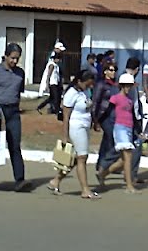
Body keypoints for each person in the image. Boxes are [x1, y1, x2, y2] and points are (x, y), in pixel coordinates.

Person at [0, 42, 29, 191]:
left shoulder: (20, 73)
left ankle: (20, 179)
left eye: (17, 58)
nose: (15, 61)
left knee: (15, 145)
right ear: (6, 55)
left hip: (13, 112)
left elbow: (18, 93)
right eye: (13, 58)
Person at [47, 70, 99, 198]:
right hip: (76, 127)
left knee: (76, 158)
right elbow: (66, 117)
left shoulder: (84, 92)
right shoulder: (71, 94)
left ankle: (56, 181)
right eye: (88, 84)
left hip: (85, 126)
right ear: (80, 81)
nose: (90, 87)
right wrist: (64, 136)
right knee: (82, 157)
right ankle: (85, 190)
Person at [97, 73, 138, 193]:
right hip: (120, 129)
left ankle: (103, 173)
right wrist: (98, 121)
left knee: (122, 160)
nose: (128, 88)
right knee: (128, 156)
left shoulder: (130, 100)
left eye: (130, 85)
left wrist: (138, 130)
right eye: (126, 85)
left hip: (129, 129)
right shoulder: (115, 98)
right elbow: (106, 111)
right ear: (121, 86)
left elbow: (134, 117)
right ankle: (129, 186)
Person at [37, 42, 65, 117]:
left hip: (55, 82)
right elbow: (48, 74)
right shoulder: (52, 64)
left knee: (52, 98)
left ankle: (40, 107)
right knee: (55, 97)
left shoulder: (56, 65)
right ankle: (56, 110)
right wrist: (47, 84)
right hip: (52, 83)